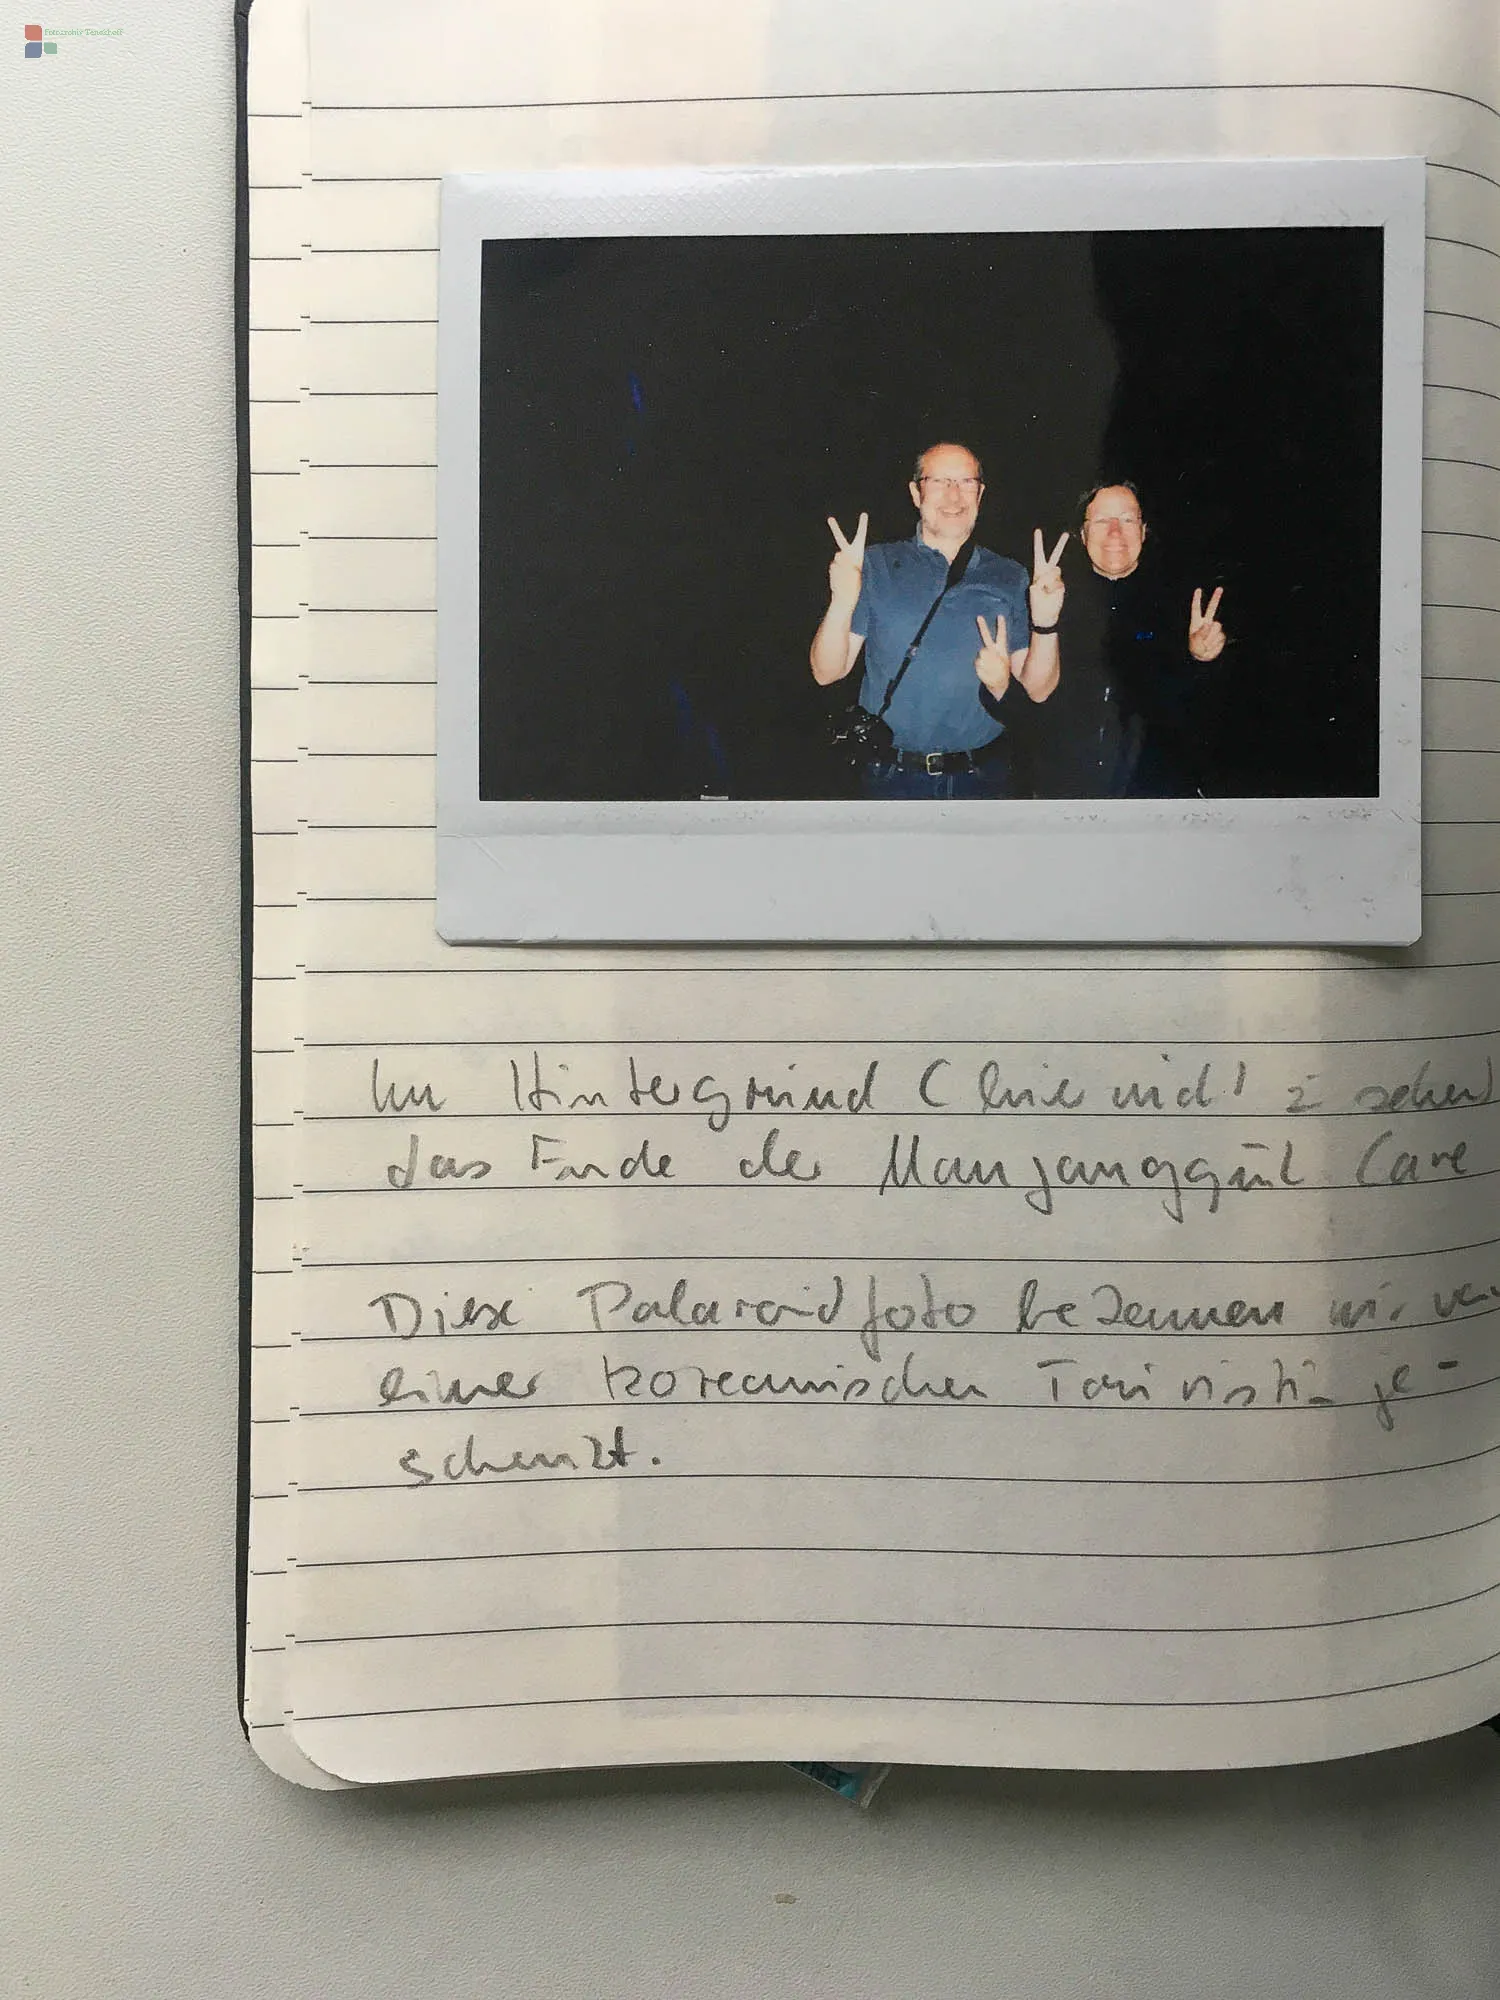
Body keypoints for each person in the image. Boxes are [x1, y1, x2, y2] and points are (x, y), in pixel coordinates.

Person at [810, 442, 1067, 799]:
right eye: (939, 481)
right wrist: (841, 600)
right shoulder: (875, 564)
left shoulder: (1010, 575)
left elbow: (1039, 690)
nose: (954, 495)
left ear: (980, 494)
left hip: (984, 778)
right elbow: (826, 672)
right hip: (890, 778)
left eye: (966, 482)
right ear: (916, 493)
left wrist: (1046, 621)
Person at [1057, 481, 1229, 798]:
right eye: (1102, 520)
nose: (1115, 532)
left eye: (1127, 519)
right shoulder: (1052, 600)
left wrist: (1200, 659)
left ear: (1143, 531)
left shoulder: (1180, 603)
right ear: (1082, 533)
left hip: (1157, 790)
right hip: (1073, 789)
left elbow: (1206, 713)